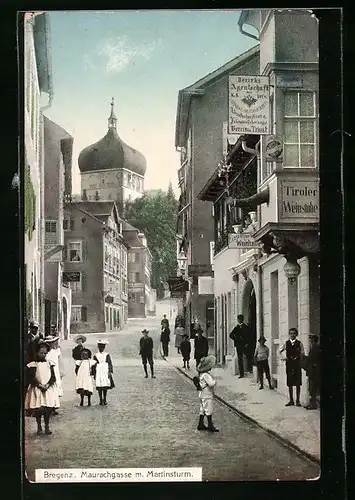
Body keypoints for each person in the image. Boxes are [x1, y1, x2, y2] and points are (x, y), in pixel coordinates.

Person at [25, 342, 59, 435]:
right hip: (37, 389)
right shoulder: (33, 365)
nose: (43, 355)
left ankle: (47, 426)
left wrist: (48, 385)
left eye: (45, 353)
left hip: (47, 388)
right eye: (41, 353)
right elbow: (31, 377)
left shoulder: (50, 363)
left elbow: (53, 377)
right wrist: (39, 385)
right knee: (39, 408)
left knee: (47, 408)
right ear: (37, 353)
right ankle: (39, 426)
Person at [280, 328, 305, 407]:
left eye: (294, 333)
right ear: (289, 334)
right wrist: (284, 357)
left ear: (296, 334)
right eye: (291, 333)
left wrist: (300, 360)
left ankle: (297, 401)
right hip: (289, 365)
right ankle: (291, 400)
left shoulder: (299, 343)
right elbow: (279, 351)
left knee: (297, 383)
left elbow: (302, 353)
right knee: (290, 382)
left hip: (297, 365)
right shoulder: (286, 343)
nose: (292, 335)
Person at [193, 355, 219, 432]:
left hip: (201, 394)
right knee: (208, 409)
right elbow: (211, 384)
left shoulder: (201, 374)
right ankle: (210, 425)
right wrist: (215, 381)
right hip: (207, 394)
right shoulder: (206, 375)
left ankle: (200, 423)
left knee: (202, 409)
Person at [45, 335, 64, 415]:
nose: (50, 344)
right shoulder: (46, 352)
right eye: (49, 343)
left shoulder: (56, 351)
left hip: (55, 370)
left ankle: (54, 406)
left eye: (51, 343)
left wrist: (61, 371)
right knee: (49, 388)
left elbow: (60, 361)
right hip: (47, 370)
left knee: (55, 388)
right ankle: (49, 405)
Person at [92, 340, 114, 405]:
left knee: (104, 385)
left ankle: (104, 398)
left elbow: (109, 363)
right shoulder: (96, 355)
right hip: (98, 371)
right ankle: (100, 399)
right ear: (98, 348)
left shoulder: (106, 355)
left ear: (104, 348)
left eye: (102, 347)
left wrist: (110, 371)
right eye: (100, 347)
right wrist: (94, 373)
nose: (101, 349)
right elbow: (94, 364)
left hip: (105, 370)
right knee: (99, 385)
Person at [304, 334, 320, 410]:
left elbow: (314, 359)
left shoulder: (316, 347)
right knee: (311, 388)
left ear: (314, 340)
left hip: (314, 371)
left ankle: (313, 405)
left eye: (311, 339)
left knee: (313, 388)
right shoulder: (313, 347)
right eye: (310, 339)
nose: (310, 341)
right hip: (311, 371)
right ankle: (311, 403)